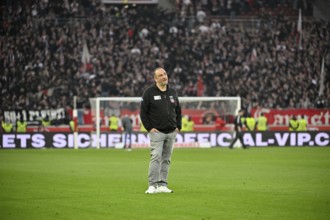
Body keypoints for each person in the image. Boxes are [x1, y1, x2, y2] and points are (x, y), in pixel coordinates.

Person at [140, 67, 182, 194]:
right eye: (160, 75)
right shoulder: (149, 93)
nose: (164, 77)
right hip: (157, 132)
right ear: (155, 79)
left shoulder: (173, 92)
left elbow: (178, 110)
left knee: (166, 159)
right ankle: (152, 185)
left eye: (165, 74)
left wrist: (178, 126)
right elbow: (143, 113)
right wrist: (149, 128)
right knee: (156, 157)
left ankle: (163, 184)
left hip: (171, 132)